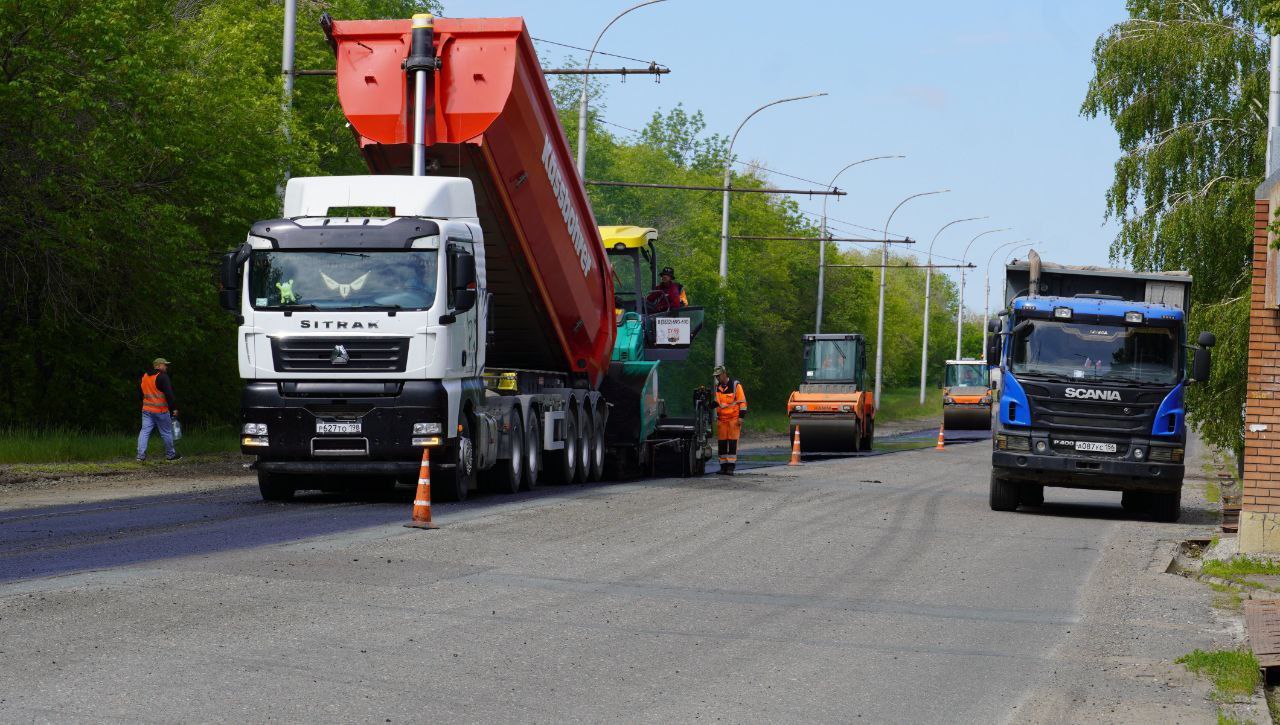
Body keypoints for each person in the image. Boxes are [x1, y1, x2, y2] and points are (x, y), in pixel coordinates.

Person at [137, 357, 181, 462]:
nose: (166, 367)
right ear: (158, 366)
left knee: (144, 431)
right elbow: (169, 394)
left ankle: (140, 456)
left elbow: (141, 392)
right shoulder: (163, 377)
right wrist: (173, 408)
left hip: (147, 409)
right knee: (166, 432)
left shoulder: (145, 376)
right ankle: (171, 456)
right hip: (160, 410)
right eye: (164, 364)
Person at [713, 365, 747, 475]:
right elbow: (718, 403)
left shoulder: (735, 385)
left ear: (724, 374)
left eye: (718, 376)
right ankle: (723, 467)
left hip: (733, 419)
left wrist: (741, 417)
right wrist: (708, 405)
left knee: (732, 443)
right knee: (722, 443)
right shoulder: (718, 387)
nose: (717, 378)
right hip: (722, 420)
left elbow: (742, 402)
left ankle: (730, 468)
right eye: (716, 376)